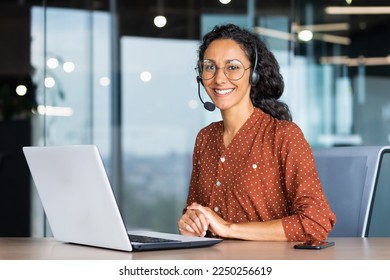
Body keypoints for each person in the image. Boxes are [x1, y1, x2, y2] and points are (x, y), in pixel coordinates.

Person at [177, 23, 336, 242]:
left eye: (232, 67)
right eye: (210, 67)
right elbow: (196, 211)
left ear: (253, 74)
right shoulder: (205, 138)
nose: (219, 79)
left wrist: (229, 228)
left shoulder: (283, 135)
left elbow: (316, 223)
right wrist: (191, 222)